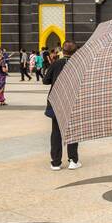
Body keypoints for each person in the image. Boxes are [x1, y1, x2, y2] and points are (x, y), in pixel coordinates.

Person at [43, 41, 79, 170]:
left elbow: (45, 81)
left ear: (62, 51)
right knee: (73, 130)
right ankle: (73, 160)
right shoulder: (78, 65)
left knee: (56, 132)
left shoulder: (56, 63)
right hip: (72, 100)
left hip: (56, 101)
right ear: (76, 52)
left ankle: (56, 162)